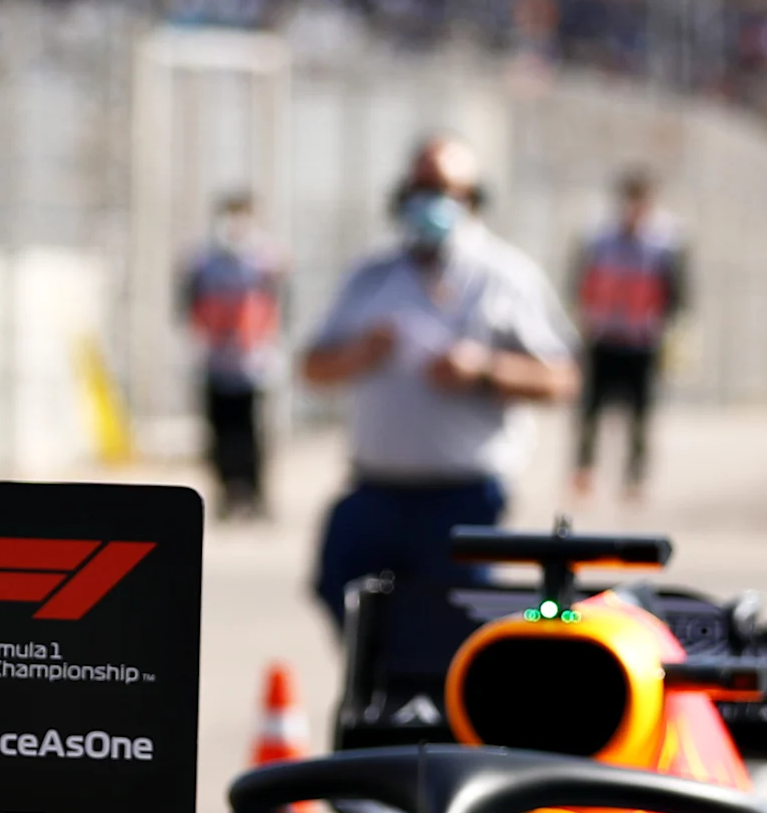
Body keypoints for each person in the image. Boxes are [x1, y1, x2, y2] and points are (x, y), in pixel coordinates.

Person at [302, 137, 579, 639]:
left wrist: (483, 370)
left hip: (462, 497)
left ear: (472, 198)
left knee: (453, 627)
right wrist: (360, 354)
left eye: (445, 189)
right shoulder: (372, 274)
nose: (430, 201)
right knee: (338, 586)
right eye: (420, 188)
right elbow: (312, 367)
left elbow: (562, 378)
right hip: (376, 488)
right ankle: (381, 693)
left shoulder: (504, 275)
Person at [570, 170, 684, 502]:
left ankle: (634, 478)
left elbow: (675, 291)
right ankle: (584, 469)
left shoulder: (665, 242)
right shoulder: (599, 238)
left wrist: (669, 330)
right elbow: (582, 280)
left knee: (641, 413)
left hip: (641, 338)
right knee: (591, 408)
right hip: (604, 332)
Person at [179, 191, 286, 519]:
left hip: (254, 363)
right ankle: (226, 492)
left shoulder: (266, 260)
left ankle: (255, 495)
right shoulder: (203, 261)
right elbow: (189, 306)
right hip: (215, 361)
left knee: (254, 434)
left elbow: (280, 306)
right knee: (219, 433)